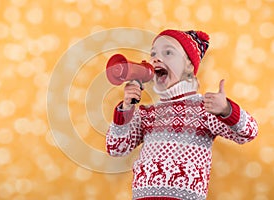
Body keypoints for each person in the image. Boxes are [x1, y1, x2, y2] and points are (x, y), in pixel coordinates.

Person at [105, 29, 258, 200]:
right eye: (153, 53)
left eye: (168, 52)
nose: (156, 58)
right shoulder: (147, 114)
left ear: (189, 66)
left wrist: (227, 110)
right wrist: (126, 108)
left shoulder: (205, 109)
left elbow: (248, 133)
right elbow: (116, 147)